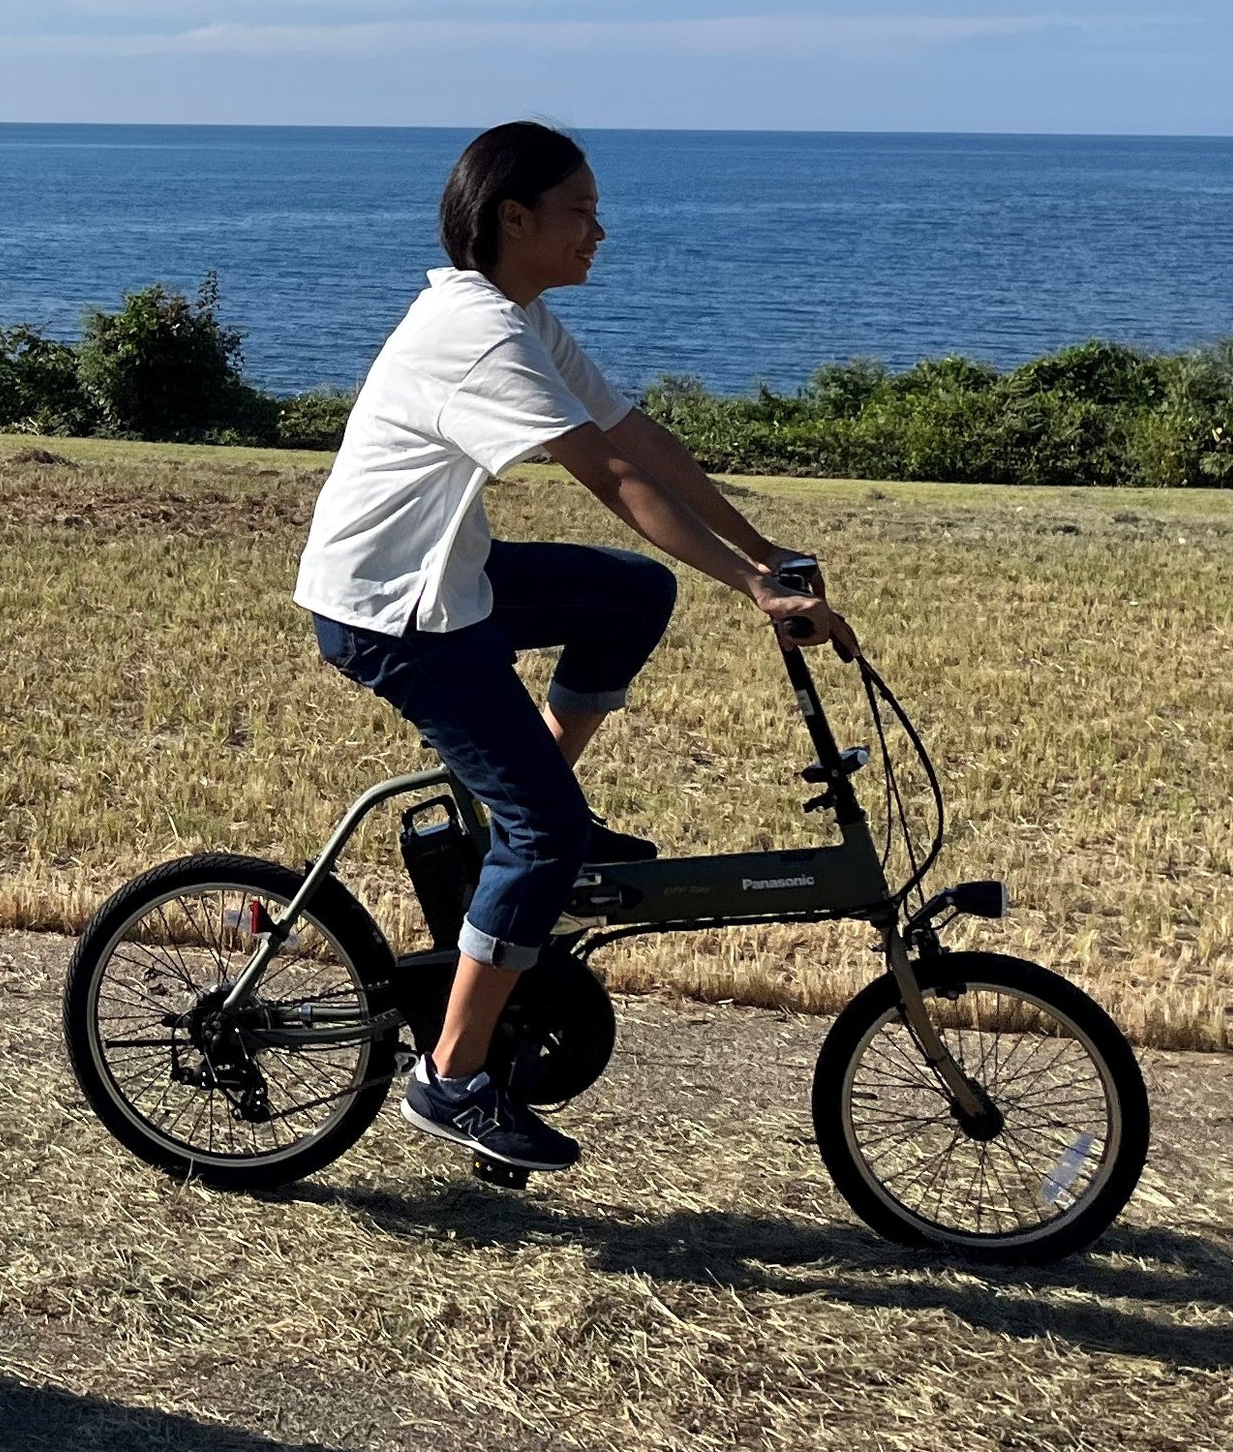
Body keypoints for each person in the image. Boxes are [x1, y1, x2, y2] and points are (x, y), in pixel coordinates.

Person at [295, 120, 851, 1175]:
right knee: (542, 833)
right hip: (390, 610)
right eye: (582, 210)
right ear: (516, 218)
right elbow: (612, 479)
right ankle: (449, 1078)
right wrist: (750, 588)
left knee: (630, 594)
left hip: (449, 581)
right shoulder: (478, 335)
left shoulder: (522, 316)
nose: (602, 229)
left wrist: (767, 550)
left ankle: (542, 812)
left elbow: (639, 438)